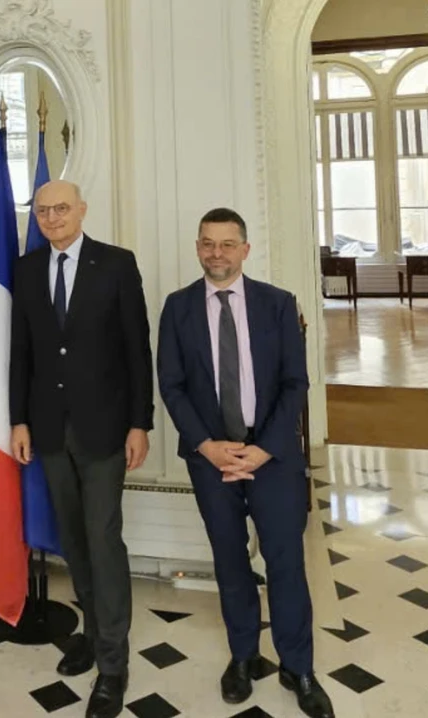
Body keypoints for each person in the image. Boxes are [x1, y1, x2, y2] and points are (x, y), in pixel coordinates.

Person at [156, 207, 333, 718]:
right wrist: (209, 447)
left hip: (270, 456)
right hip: (211, 457)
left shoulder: (277, 305)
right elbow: (172, 384)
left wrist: (265, 447)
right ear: (197, 247)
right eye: (208, 243)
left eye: (227, 244)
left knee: (285, 564)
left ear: (245, 249)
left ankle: (298, 667)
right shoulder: (178, 307)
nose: (217, 253)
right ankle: (243, 657)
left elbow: (294, 383)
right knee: (231, 563)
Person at [9, 180, 153, 718]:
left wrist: (141, 423)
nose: (51, 217)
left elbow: (138, 349)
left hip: (105, 430)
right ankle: (92, 633)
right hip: (47, 431)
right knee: (74, 539)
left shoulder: (116, 264)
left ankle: (114, 665)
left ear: (82, 211)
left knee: (103, 538)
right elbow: (19, 351)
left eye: (61, 208)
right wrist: (18, 420)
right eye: (42, 210)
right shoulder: (26, 269)